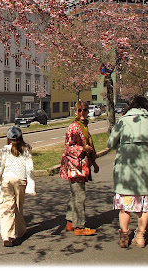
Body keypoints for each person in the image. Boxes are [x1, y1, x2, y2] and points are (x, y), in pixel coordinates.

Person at [107, 95, 148, 248]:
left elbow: (110, 142)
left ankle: (124, 236)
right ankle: (141, 237)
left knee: (125, 206)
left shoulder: (124, 121)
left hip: (126, 171)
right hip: (146, 171)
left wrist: (122, 147)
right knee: (144, 206)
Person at [60, 100, 99, 236]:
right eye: (79, 110)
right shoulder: (74, 127)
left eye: (85, 110)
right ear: (75, 112)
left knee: (75, 195)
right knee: (79, 196)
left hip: (81, 165)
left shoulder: (84, 126)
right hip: (75, 166)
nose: (82, 113)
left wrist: (93, 162)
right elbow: (68, 147)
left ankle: (71, 222)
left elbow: (90, 144)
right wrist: (83, 148)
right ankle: (79, 226)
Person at [0, 126, 35, 246]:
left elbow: (0, 169)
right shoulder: (27, 148)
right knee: (18, 207)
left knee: (6, 207)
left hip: (7, 180)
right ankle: (18, 232)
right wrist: (31, 185)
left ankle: (7, 234)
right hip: (20, 181)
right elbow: (30, 168)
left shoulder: (5, 149)